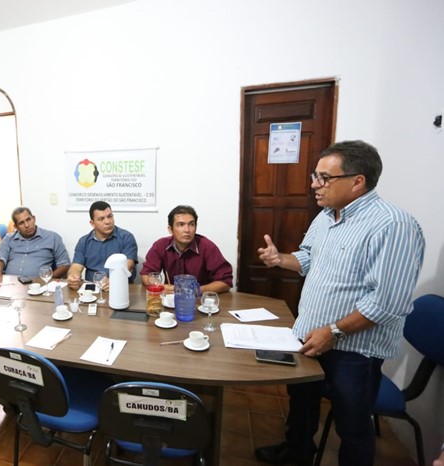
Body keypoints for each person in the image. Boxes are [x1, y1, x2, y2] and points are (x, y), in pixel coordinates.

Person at [254, 141, 425, 466]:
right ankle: (297, 453)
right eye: (315, 176)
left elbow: (388, 302)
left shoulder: (393, 225)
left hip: (353, 349)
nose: (314, 185)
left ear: (357, 181)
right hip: (310, 335)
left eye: (324, 178)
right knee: (302, 402)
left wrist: (332, 331)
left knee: (352, 425)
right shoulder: (325, 217)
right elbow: (308, 258)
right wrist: (280, 259)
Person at [140, 205, 233, 293]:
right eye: (181, 225)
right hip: (171, 299)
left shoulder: (207, 247)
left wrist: (195, 291)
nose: (187, 230)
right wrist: (159, 286)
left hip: (199, 299)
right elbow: (146, 274)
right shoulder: (161, 245)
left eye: (191, 224)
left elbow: (225, 282)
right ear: (170, 229)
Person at [67, 201, 138, 291]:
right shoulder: (84, 241)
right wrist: (73, 277)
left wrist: (114, 281)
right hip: (93, 289)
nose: (107, 222)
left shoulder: (126, 237)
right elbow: (76, 267)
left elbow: (128, 266)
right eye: (101, 219)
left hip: (120, 288)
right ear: (92, 223)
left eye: (110, 216)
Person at [0, 207, 70, 283]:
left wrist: (46, 279)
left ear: (34, 218)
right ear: (16, 227)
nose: (27, 225)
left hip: (38, 286)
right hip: (11, 285)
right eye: (21, 223)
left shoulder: (52, 237)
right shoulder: (8, 239)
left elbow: (65, 264)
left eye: (28, 219)